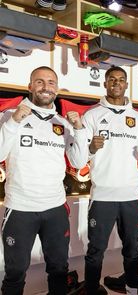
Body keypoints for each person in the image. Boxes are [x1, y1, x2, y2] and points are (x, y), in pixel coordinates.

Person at [0, 66, 88, 295]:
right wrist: (13, 123)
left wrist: (79, 130)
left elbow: (78, 163)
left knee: (59, 269)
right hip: (20, 208)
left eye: (50, 82)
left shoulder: (63, 122)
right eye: (39, 82)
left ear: (56, 88)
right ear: (30, 86)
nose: (45, 87)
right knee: (15, 272)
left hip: (55, 209)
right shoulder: (10, 116)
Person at [82, 66, 138, 295]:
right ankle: (91, 290)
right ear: (105, 83)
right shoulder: (92, 116)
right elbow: (80, 154)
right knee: (96, 249)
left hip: (131, 196)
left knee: (132, 248)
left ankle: (132, 289)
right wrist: (90, 147)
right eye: (112, 79)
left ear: (127, 84)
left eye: (121, 80)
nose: (116, 83)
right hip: (102, 196)